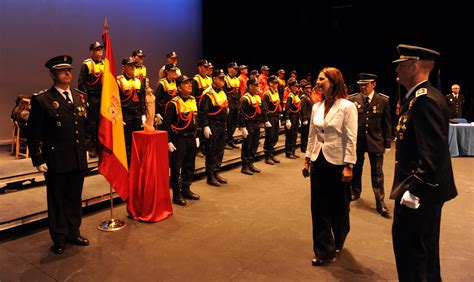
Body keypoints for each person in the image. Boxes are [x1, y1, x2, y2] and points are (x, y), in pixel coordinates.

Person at [390, 44, 458, 281]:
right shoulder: (423, 97)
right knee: (425, 251)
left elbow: (432, 154)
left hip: (419, 193)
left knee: (412, 253)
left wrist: (414, 192)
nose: (396, 70)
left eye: (400, 65)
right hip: (425, 192)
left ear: (414, 66)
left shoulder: (424, 100)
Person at [27, 55, 89, 255]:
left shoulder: (80, 97)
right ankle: (59, 237)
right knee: (57, 200)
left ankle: (74, 232)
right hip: (56, 159)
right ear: (53, 74)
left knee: (74, 197)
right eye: (62, 70)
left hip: (77, 157)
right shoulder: (43, 100)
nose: (68, 73)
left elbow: (83, 127)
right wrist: (38, 158)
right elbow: (35, 132)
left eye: (69, 70)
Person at [302, 66, 357, 266]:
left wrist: (349, 165)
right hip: (318, 161)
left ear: (333, 82)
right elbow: (312, 135)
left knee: (339, 207)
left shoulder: (347, 107)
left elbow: (351, 138)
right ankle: (323, 250)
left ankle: (339, 237)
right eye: (317, 78)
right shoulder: (316, 106)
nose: (317, 82)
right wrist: (307, 159)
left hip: (338, 163)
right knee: (318, 207)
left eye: (321, 79)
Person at [347, 73, 391, 218]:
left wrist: (387, 143)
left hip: (375, 141)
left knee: (377, 173)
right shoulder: (353, 99)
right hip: (358, 141)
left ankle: (380, 202)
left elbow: (387, 124)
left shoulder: (383, 100)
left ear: (373, 84)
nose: (362, 87)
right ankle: (355, 192)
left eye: (365, 85)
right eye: (360, 85)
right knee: (356, 169)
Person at [162, 75, 200, 206]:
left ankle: (186, 189)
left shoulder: (193, 100)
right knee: (176, 167)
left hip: (191, 137)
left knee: (189, 165)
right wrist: (168, 141)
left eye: (190, 83)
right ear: (178, 87)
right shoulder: (173, 103)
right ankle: (177, 194)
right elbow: (166, 124)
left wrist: (197, 136)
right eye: (185, 83)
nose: (190, 85)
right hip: (179, 139)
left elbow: (195, 119)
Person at [198, 69, 229, 186]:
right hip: (212, 125)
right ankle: (210, 176)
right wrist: (205, 126)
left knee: (219, 151)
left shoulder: (221, 91)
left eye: (223, 78)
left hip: (221, 125)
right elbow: (203, 111)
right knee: (211, 151)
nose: (223, 81)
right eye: (220, 78)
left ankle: (216, 172)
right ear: (214, 79)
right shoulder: (208, 93)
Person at [117, 57, 146, 163]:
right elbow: (116, 100)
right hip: (125, 114)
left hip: (137, 114)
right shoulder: (119, 81)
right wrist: (119, 116)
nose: (133, 67)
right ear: (124, 67)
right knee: (126, 140)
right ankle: (127, 163)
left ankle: (136, 161)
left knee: (137, 139)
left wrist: (143, 114)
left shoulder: (138, 81)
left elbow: (141, 98)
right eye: (130, 65)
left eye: (134, 65)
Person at [78, 42, 104, 157]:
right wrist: (85, 99)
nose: (100, 52)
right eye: (97, 50)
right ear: (91, 52)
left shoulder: (105, 64)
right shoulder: (87, 64)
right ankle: (91, 147)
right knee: (91, 123)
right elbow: (81, 83)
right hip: (91, 97)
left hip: (102, 97)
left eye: (100, 50)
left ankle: (100, 147)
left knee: (101, 122)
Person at [239, 78, 265, 175]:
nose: (258, 87)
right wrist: (243, 127)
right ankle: (244, 166)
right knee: (247, 145)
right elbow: (241, 113)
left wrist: (263, 121)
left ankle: (251, 163)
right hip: (248, 123)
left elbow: (261, 110)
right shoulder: (245, 98)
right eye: (256, 85)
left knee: (254, 144)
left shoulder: (257, 97)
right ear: (250, 86)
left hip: (256, 123)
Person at [263, 75, 282, 165]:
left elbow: (277, 106)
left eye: (276, 83)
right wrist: (266, 120)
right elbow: (264, 108)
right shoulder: (267, 94)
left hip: (275, 117)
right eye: (274, 83)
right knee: (269, 137)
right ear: (270, 83)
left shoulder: (276, 92)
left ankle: (271, 154)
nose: (276, 84)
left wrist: (278, 118)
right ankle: (267, 156)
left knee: (275, 136)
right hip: (270, 117)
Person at [224, 62, 241, 149]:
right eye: (234, 68)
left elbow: (239, 92)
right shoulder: (225, 79)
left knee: (234, 122)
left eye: (237, 68)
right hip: (229, 102)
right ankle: (225, 141)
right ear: (229, 69)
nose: (236, 70)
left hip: (236, 102)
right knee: (228, 122)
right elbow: (224, 93)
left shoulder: (237, 79)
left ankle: (230, 140)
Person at [284, 78, 301, 158]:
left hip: (296, 116)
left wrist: (299, 118)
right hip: (291, 116)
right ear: (292, 87)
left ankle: (293, 151)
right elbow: (287, 108)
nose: (297, 87)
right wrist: (287, 119)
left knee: (294, 135)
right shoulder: (290, 96)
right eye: (295, 86)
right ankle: (288, 152)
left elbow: (298, 107)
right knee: (290, 135)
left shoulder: (296, 95)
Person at [299, 82, 314, 153]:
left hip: (309, 118)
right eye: (307, 88)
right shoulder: (304, 97)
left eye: (309, 88)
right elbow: (303, 108)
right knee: (304, 134)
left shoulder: (308, 96)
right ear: (304, 89)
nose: (309, 89)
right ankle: (303, 148)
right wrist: (304, 118)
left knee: (308, 134)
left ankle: (307, 147)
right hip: (306, 118)